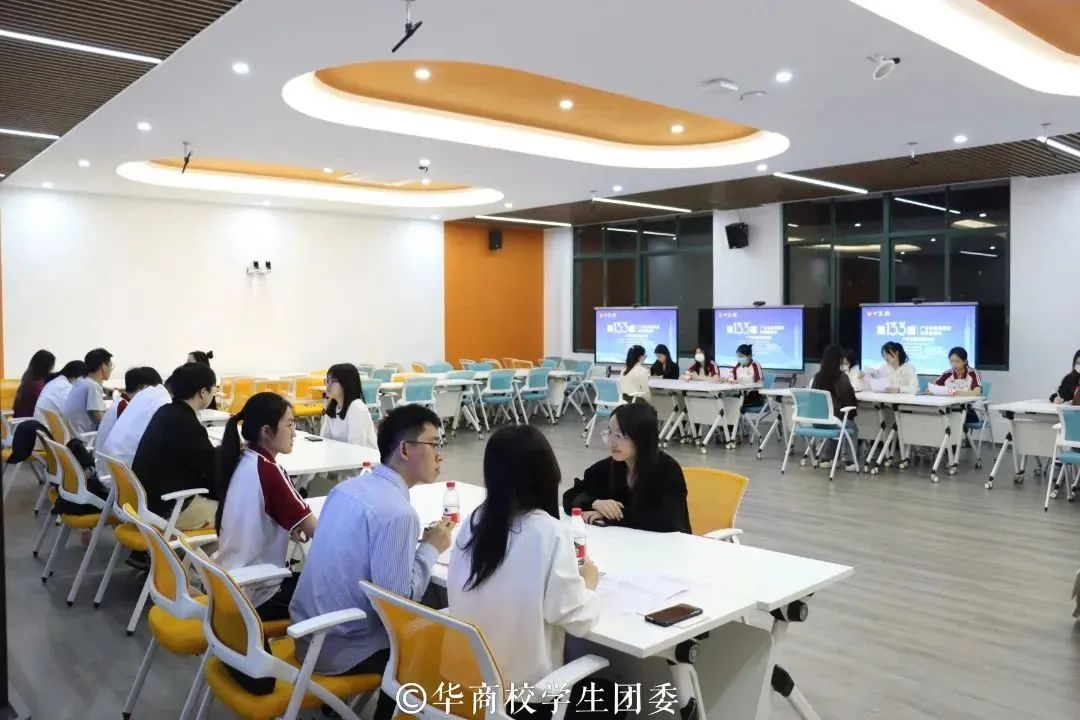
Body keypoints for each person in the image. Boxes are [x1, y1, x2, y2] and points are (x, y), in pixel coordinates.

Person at [289, 405, 454, 720]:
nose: (440, 455)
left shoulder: (345, 489)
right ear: (404, 449)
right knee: (433, 643)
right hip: (341, 649)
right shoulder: (398, 514)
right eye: (434, 444)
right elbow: (398, 607)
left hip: (307, 635)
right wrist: (430, 548)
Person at [448, 425, 600, 715]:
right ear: (547, 474)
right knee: (611, 696)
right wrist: (589, 585)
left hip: (468, 691)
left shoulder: (476, 521)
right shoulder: (548, 532)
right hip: (522, 700)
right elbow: (576, 618)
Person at [214, 392, 313, 633]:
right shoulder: (269, 470)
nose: (295, 432)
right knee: (338, 590)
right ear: (267, 431)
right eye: (289, 424)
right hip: (259, 596)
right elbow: (315, 530)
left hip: (228, 584)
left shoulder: (242, 458)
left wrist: (286, 526)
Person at [563, 403, 690, 533]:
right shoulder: (606, 467)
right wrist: (594, 503)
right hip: (620, 541)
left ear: (642, 437)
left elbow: (667, 521)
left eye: (620, 435)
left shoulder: (668, 470)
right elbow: (569, 497)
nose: (612, 442)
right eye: (610, 433)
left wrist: (611, 516)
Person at [132, 362, 218, 530]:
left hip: (147, 503)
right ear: (203, 392)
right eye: (213, 390)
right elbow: (213, 468)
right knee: (236, 513)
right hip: (169, 510)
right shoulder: (187, 424)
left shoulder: (165, 411)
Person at [101, 368, 171, 467]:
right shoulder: (124, 406)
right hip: (113, 468)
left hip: (111, 463)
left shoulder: (123, 403)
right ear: (144, 388)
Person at [811, 344, 860, 472]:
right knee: (849, 426)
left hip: (818, 421)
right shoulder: (842, 377)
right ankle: (849, 461)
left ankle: (827, 458)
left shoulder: (817, 377)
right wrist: (852, 415)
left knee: (836, 423)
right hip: (833, 421)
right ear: (839, 360)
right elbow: (849, 402)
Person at [320, 363, 377, 449]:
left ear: (346, 383)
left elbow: (355, 447)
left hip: (363, 456)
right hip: (341, 455)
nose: (328, 385)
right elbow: (324, 440)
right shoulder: (333, 407)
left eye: (333, 381)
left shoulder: (357, 407)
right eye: (327, 380)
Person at [62, 348, 113, 435]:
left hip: (71, 435)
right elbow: (101, 419)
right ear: (103, 367)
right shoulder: (92, 386)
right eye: (110, 365)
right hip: (83, 438)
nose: (111, 369)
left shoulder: (81, 380)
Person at [13, 350, 55, 418]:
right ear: (47, 368)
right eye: (51, 367)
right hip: (29, 422)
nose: (52, 370)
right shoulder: (37, 386)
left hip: (21, 421)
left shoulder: (27, 380)